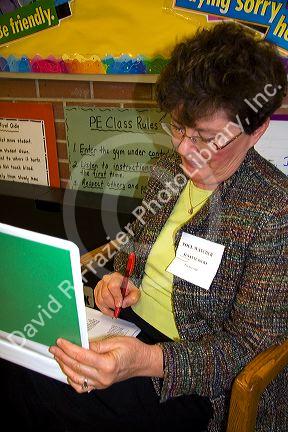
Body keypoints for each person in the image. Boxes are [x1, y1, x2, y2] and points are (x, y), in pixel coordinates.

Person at [2, 22, 288, 432]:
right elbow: (133, 249)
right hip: (126, 330)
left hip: (192, 374)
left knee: (45, 389)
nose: (185, 151)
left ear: (257, 129)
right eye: (178, 129)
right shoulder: (167, 172)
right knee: (19, 354)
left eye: (206, 138)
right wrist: (117, 278)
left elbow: (249, 349)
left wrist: (147, 360)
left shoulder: (274, 210)